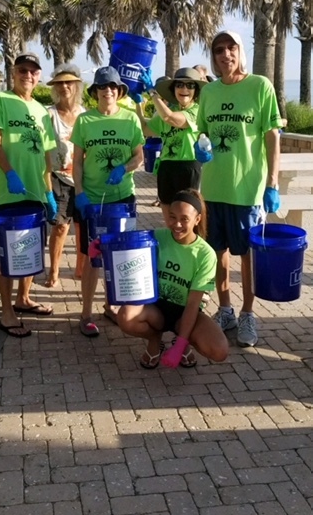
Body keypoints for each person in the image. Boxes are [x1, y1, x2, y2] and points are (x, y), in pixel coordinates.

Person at [195, 30, 283, 347]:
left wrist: (272, 183)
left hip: (247, 191)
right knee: (218, 253)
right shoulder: (209, 92)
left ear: (239, 51)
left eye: (231, 48)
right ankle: (226, 309)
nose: (225, 55)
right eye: (219, 50)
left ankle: (248, 314)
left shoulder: (260, 86)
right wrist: (199, 147)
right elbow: (202, 132)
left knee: (247, 256)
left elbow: (272, 136)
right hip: (214, 189)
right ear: (214, 57)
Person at [0, 52, 58, 338]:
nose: (28, 75)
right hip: (9, 193)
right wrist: (9, 172)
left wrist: (49, 193)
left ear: (39, 77)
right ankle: (6, 312)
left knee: (31, 251)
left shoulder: (41, 110)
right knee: (8, 254)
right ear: (13, 73)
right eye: (23, 70)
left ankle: (23, 299)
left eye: (33, 72)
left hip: (36, 193)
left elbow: (48, 156)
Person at [117, 189, 229, 369]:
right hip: (155, 308)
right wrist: (103, 245)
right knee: (125, 316)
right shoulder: (158, 236)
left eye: (184, 219)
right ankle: (154, 340)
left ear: (197, 220)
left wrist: (180, 344)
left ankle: (181, 342)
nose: (176, 224)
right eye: (172, 217)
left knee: (219, 350)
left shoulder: (205, 254)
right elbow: (126, 242)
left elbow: (193, 305)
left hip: (185, 311)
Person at [71, 66, 144, 337]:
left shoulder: (130, 119)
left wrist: (123, 168)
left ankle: (111, 306)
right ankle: (86, 313)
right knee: (92, 258)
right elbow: (77, 161)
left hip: (123, 199)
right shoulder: (85, 121)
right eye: (102, 87)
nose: (108, 91)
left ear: (119, 91)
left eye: (113, 86)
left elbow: (140, 157)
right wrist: (79, 192)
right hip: (93, 201)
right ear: (95, 92)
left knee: (120, 257)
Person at [133, 68, 207, 221]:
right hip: (166, 165)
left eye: (190, 86)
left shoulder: (196, 111)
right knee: (168, 210)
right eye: (179, 85)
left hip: (189, 166)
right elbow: (145, 129)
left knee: (187, 215)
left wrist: (152, 92)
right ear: (173, 89)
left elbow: (170, 118)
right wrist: (138, 104)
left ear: (196, 91)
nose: (184, 89)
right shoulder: (166, 111)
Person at [45, 63, 87, 287]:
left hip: (82, 178)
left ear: (77, 85)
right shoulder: (49, 114)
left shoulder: (85, 115)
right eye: (60, 83)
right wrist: (46, 183)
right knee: (60, 227)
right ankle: (53, 270)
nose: (64, 87)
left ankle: (81, 269)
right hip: (58, 178)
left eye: (69, 82)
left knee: (82, 227)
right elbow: (43, 149)